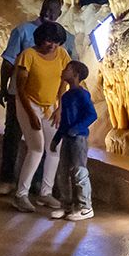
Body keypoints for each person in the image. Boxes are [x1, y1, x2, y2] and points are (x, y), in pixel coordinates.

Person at [0, 0, 75, 196]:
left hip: (49, 101)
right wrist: (3, 87)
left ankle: (39, 184)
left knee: (47, 145)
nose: (48, 13)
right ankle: (9, 179)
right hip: (21, 95)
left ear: (59, 13)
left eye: (53, 10)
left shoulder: (67, 40)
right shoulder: (23, 31)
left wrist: (61, 104)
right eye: (45, 8)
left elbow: (68, 72)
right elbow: (8, 63)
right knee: (15, 136)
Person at [12, 21, 69, 213]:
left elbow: (64, 80)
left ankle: (45, 192)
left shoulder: (61, 54)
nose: (52, 45)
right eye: (48, 41)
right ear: (40, 39)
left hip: (50, 106)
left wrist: (59, 106)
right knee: (36, 148)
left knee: (54, 147)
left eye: (56, 42)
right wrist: (31, 114)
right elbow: (20, 88)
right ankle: (21, 194)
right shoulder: (28, 56)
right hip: (29, 103)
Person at [47, 60, 98, 222]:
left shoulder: (82, 95)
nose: (63, 71)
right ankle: (67, 205)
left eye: (67, 69)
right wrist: (57, 138)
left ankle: (85, 206)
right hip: (68, 138)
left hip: (79, 138)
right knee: (63, 173)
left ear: (75, 75)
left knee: (79, 171)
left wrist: (77, 128)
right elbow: (63, 122)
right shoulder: (67, 96)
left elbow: (92, 114)